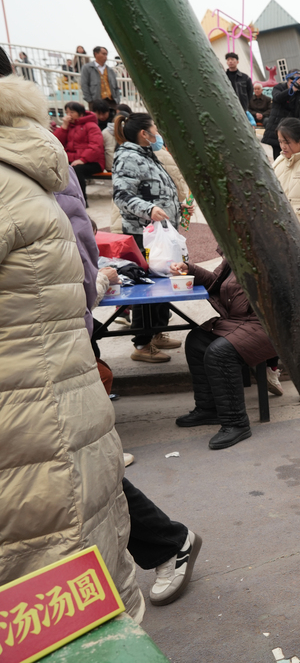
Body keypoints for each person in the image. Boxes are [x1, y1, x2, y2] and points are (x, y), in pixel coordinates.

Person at [0, 50, 144, 621]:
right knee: (84, 603)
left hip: (26, 446)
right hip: (60, 421)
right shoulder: (30, 172)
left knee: (51, 616)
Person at [170, 254, 278, 449]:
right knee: (196, 340)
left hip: (267, 325)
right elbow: (215, 282)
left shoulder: (267, 254)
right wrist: (189, 268)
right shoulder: (233, 254)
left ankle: (236, 423)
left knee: (220, 353)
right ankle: (208, 409)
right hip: (238, 322)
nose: (222, 253)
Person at [112, 112, 184, 363]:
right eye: (155, 128)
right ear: (145, 133)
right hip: (143, 234)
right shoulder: (128, 157)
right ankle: (142, 344)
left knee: (162, 281)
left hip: (161, 234)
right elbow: (122, 196)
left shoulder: (147, 155)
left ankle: (157, 332)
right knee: (146, 288)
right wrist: (149, 210)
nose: (158, 133)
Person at [53, 101, 106, 195]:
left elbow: (95, 146)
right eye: (67, 113)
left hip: (93, 161)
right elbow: (56, 142)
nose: (69, 115)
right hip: (73, 159)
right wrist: (64, 127)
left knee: (77, 169)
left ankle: (81, 199)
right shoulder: (69, 126)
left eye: (72, 112)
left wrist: (83, 159)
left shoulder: (91, 126)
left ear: (81, 114)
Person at [263, 71, 300, 159]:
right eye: (294, 81)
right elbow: (277, 97)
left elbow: (299, 109)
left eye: (299, 81)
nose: (296, 84)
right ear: (288, 80)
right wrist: (291, 90)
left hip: (290, 130)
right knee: (278, 158)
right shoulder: (279, 87)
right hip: (276, 127)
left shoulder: (299, 92)